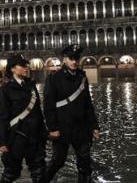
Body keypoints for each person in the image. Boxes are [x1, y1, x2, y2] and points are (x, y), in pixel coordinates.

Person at [44, 44, 100, 182]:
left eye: (76, 58)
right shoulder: (54, 78)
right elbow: (48, 106)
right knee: (58, 162)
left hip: (81, 128)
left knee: (84, 164)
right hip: (62, 128)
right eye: (71, 58)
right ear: (64, 59)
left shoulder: (82, 77)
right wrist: (52, 128)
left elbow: (88, 104)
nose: (74, 61)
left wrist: (94, 126)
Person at [0, 54, 47, 182]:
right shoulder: (6, 89)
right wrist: (2, 140)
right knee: (11, 173)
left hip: (35, 137)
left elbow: (37, 112)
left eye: (26, 65)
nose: (26, 68)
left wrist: (43, 132)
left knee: (39, 172)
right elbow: (2, 116)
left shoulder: (31, 86)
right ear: (12, 69)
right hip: (16, 137)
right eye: (22, 66)